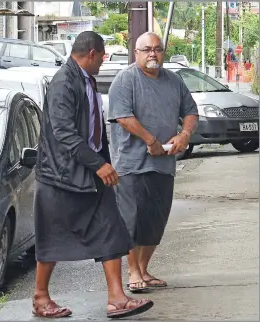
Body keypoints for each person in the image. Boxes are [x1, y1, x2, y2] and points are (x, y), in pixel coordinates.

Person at [32, 31, 154, 319]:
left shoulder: (86, 79)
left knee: (111, 228)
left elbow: (92, 130)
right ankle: (40, 297)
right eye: (101, 57)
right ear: (91, 54)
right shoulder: (64, 82)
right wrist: (97, 164)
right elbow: (64, 133)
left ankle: (117, 299)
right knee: (53, 237)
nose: (102, 62)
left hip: (89, 172)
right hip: (60, 176)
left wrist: (104, 164)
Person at [108, 32, 199, 293]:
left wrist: (184, 134)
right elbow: (123, 117)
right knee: (133, 221)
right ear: (136, 52)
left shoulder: (173, 80)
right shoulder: (125, 80)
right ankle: (133, 271)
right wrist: (151, 140)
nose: (152, 54)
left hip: (164, 164)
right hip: (131, 164)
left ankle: (144, 269)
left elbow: (191, 112)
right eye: (146, 49)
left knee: (155, 221)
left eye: (157, 49)